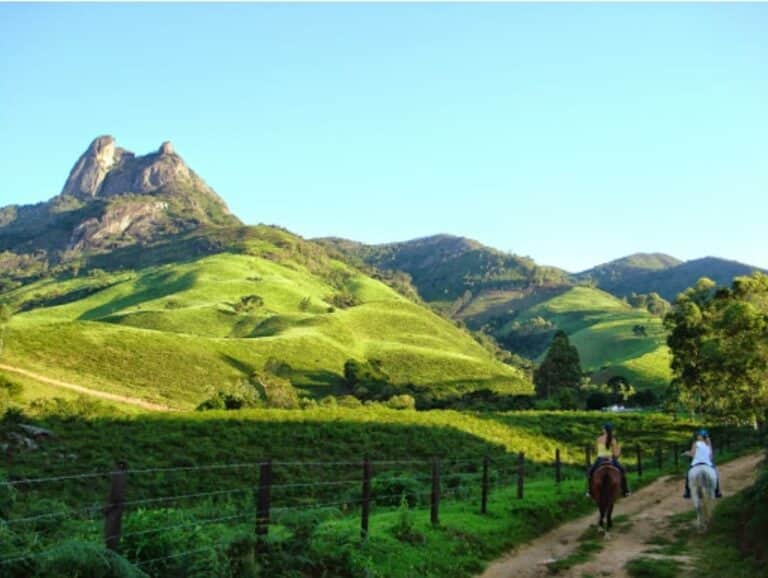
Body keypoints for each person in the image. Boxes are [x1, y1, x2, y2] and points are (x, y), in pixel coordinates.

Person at [586, 423, 630, 498]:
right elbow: (616, 454)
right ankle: (625, 491)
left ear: (604, 430)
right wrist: (619, 450)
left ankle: (590, 491)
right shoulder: (613, 439)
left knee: (590, 472)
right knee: (622, 471)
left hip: (600, 459)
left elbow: (596, 451)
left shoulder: (599, 439)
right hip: (611, 459)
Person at [683, 428, 722, 499]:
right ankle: (717, 491)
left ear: (701, 436)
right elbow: (711, 456)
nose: (697, 436)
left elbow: (692, 454)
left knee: (688, 473)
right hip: (707, 463)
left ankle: (687, 491)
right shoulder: (709, 444)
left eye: (699, 435)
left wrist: (686, 453)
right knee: (716, 474)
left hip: (696, 463)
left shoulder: (695, 443)